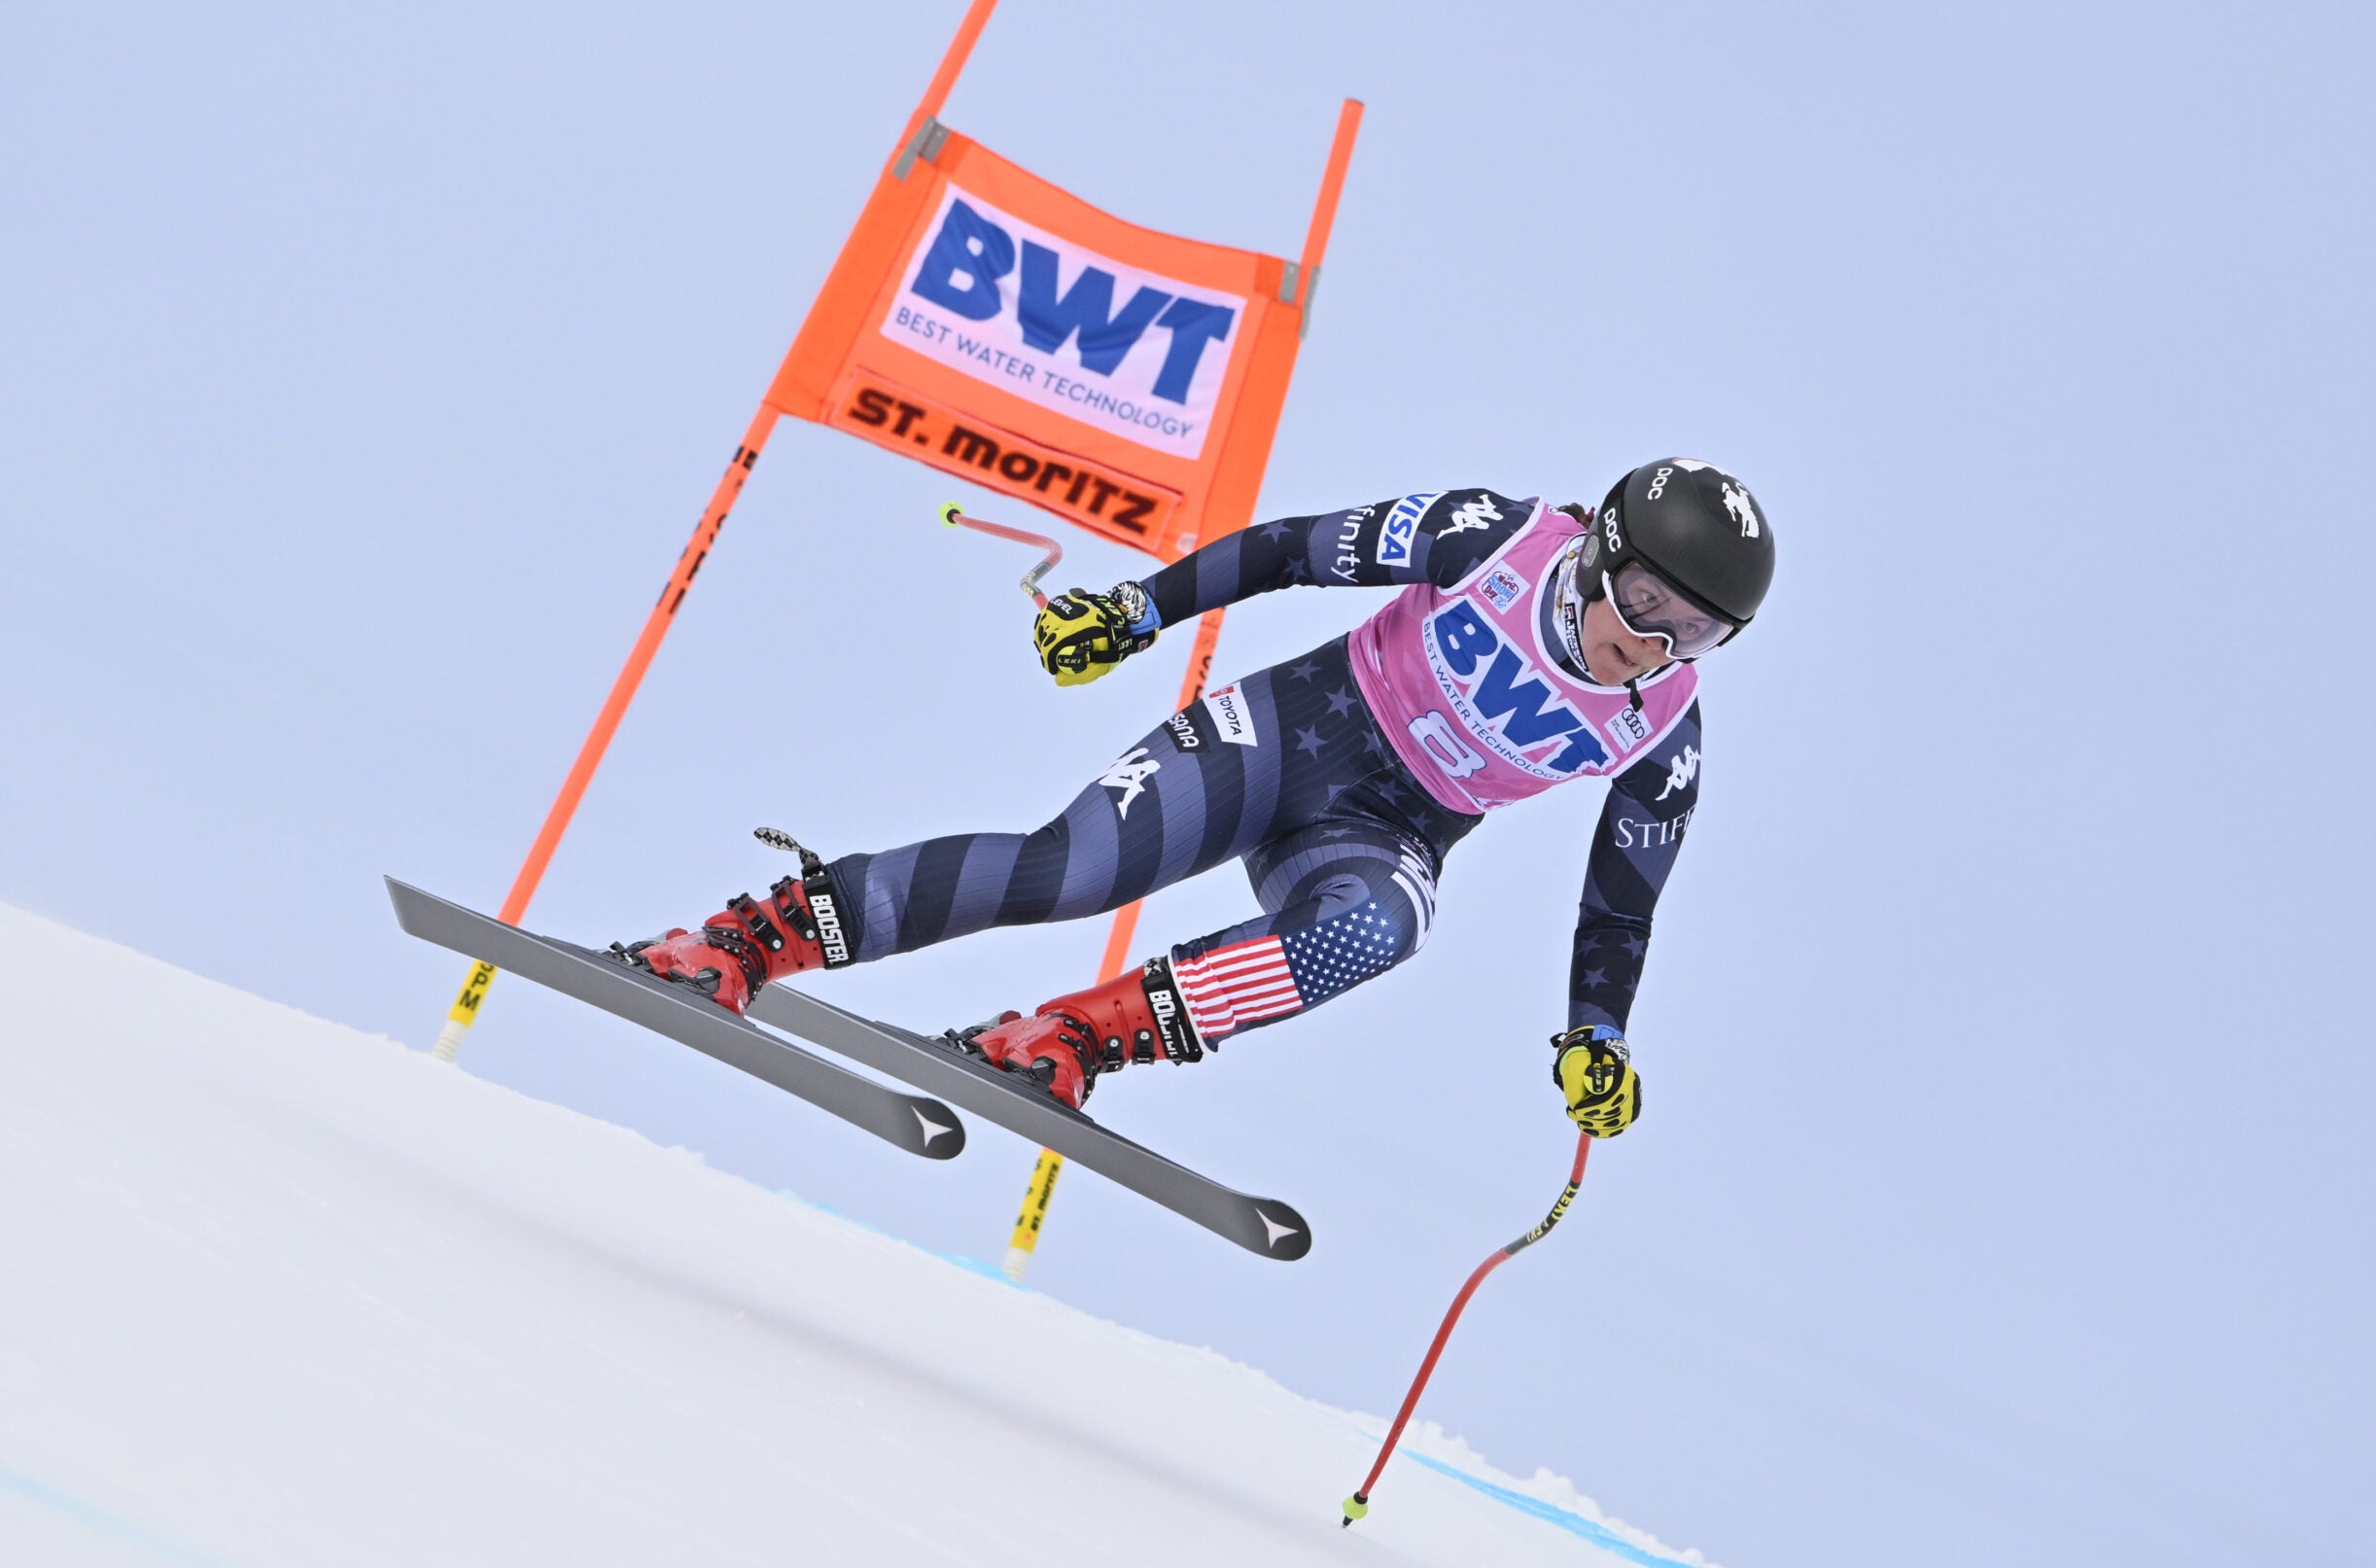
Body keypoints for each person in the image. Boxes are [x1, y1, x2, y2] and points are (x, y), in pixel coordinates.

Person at [613, 459, 1773, 1139]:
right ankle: (745, 940)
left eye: (1698, 634)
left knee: (1384, 928)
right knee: (1069, 872)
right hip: (1282, 739)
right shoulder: (1495, 540)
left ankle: (1068, 1038)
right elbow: (1290, 550)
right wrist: (1139, 611)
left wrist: (1597, 1035)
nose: (1653, 644)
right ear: (1599, 551)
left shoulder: (1663, 733)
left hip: (1376, 834)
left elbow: (1619, 910)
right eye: (1643, 601)